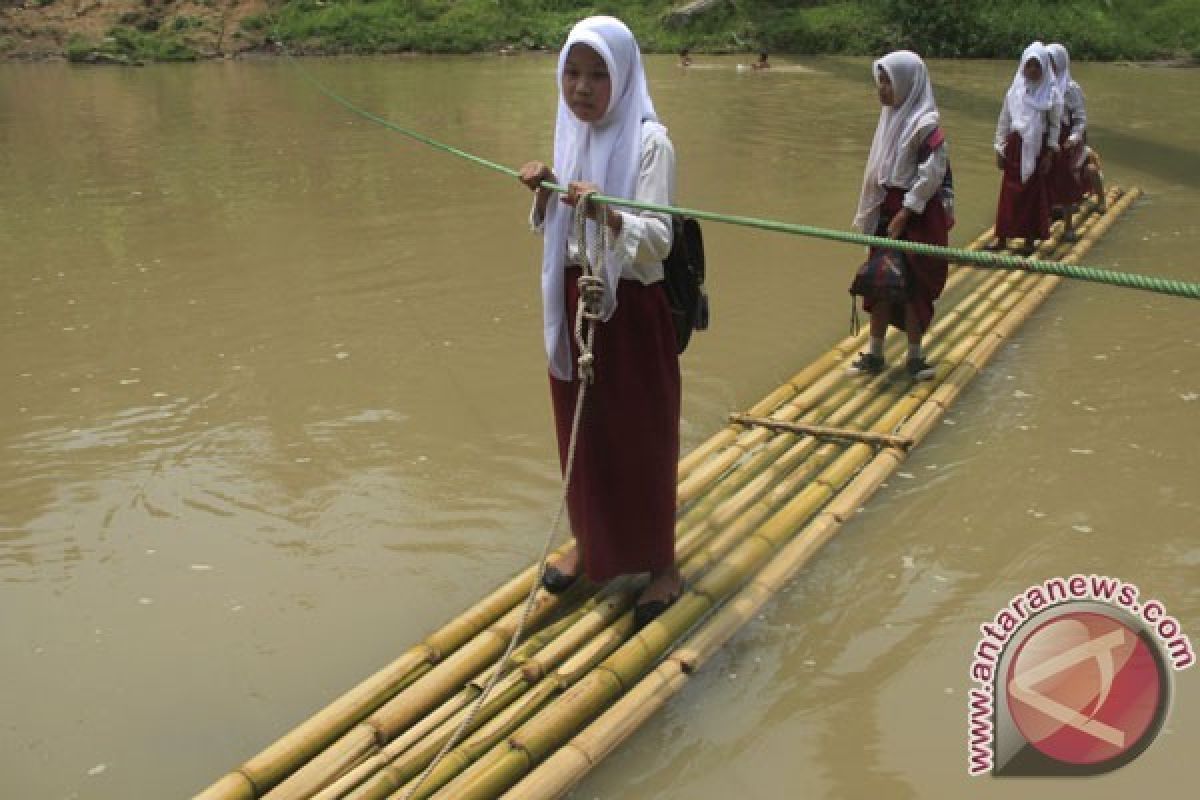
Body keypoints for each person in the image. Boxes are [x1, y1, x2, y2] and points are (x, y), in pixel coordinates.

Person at [517, 16, 683, 626]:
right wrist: (548, 193)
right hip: (574, 299)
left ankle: (662, 564)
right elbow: (556, 230)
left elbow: (659, 242)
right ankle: (591, 543)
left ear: (624, 78)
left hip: (630, 310)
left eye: (596, 75)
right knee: (582, 433)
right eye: (571, 72)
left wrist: (609, 216)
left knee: (641, 435)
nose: (581, 88)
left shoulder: (649, 142)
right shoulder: (572, 132)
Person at [848, 50, 951, 381]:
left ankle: (915, 358)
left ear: (908, 83)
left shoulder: (926, 123)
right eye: (879, 82)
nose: (882, 90)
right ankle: (876, 354)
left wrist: (906, 213)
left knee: (913, 285)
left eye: (888, 83)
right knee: (879, 281)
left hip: (916, 213)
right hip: (887, 208)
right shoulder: (888, 118)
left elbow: (932, 173)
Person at [991, 42, 1061, 256]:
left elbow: (1054, 126)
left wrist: (1049, 153)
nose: (1032, 70)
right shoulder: (1014, 91)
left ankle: (1029, 240)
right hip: (1015, 146)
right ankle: (1002, 236)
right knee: (1008, 193)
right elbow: (1004, 120)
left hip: (1037, 148)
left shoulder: (1051, 94)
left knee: (1032, 194)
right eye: (1028, 65)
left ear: (1044, 68)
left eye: (1036, 66)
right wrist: (998, 147)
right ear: (1022, 66)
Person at [1046, 42, 1089, 241]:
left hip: (1065, 140)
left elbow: (1080, 119)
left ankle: (1069, 226)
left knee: (1066, 182)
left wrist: (1073, 139)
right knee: (1045, 179)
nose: (1049, 67)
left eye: (1052, 63)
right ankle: (1042, 221)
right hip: (1046, 137)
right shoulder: (1042, 85)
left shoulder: (1071, 89)